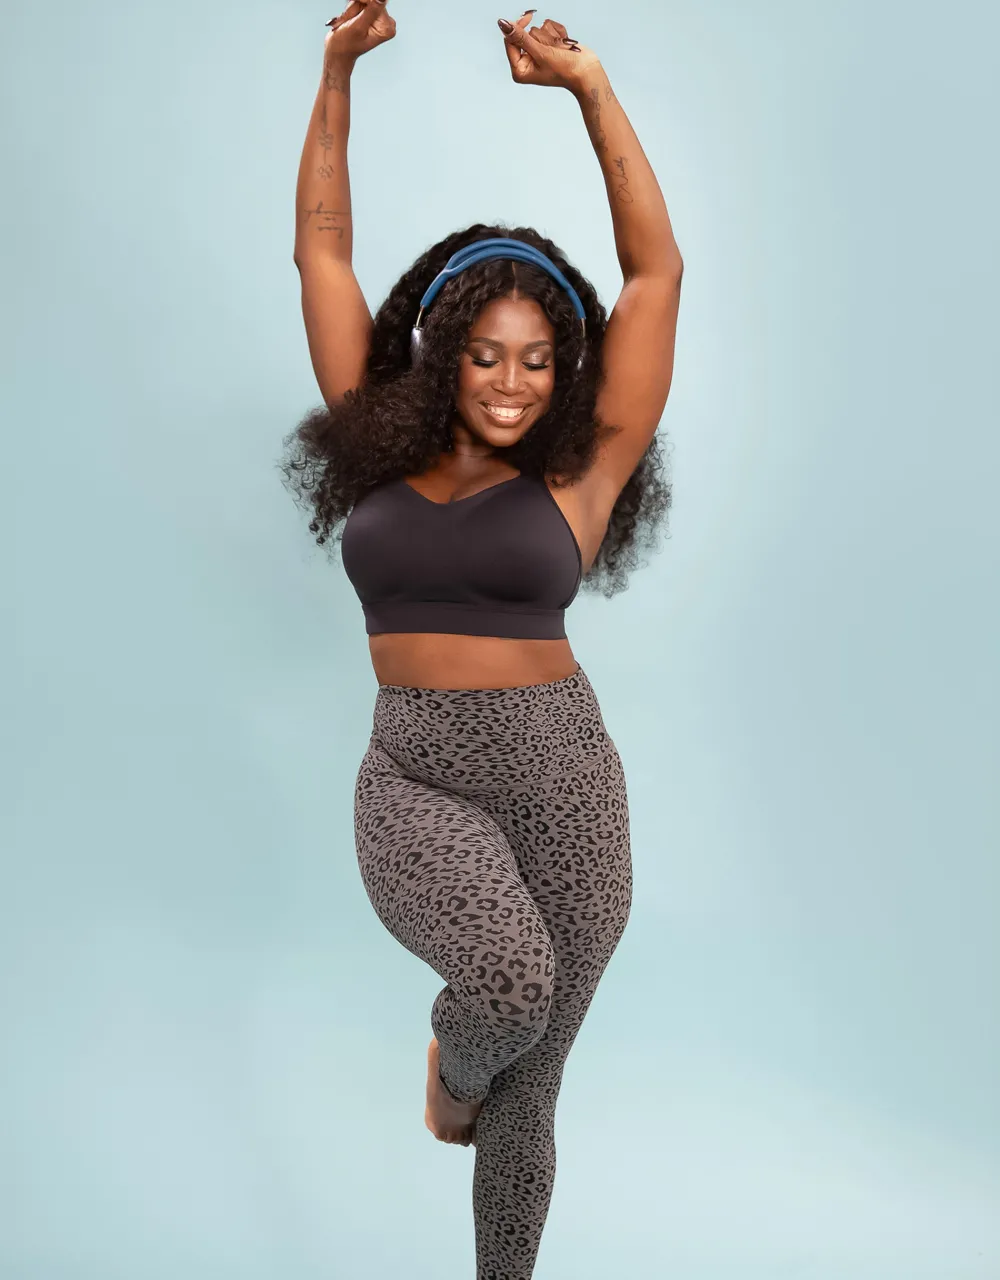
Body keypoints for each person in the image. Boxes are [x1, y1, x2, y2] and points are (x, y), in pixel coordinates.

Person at [283, 4, 683, 1277]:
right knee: (504, 987)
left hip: (565, 778)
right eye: (485, 356)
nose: (511, 382)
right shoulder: (371, 441)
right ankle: (452, 1075)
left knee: (535, 1092)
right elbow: (321, 247)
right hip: (416, 770)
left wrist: (590, 89)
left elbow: (656, 276)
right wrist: (337, 72)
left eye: (539, 360)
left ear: (565, 370)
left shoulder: (581, 474)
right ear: (442, 353)